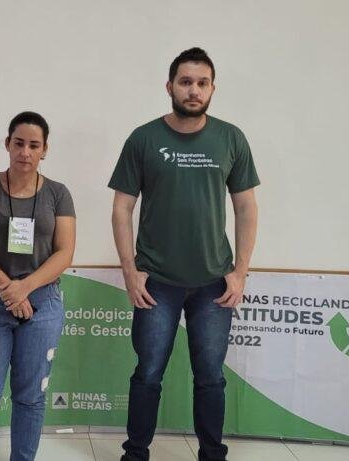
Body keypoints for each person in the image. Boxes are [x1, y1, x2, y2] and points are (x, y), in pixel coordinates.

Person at [108, 48, 260, 461]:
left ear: (212, 88)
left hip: (214, 283)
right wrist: (130, 271)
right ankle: (135, 454)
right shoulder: (143, 139)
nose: (194, 90)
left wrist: (240, 271)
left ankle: (212, 454)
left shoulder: (231, 138)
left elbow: (246, 207)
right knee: (148, 374)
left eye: (202, 83)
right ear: (170, 86)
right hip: (156, 282)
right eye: (186, 82)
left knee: (210, 377)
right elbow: (122, 208)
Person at [0, 111, 77, 461]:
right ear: (7, 144)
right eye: (19, 143)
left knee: (31, 397)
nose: (25, 152)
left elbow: (65, 252)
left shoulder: (58, 193)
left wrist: (24, 289)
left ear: (45, 150)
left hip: (43, 303)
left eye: (34, 145)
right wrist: (9, 290)